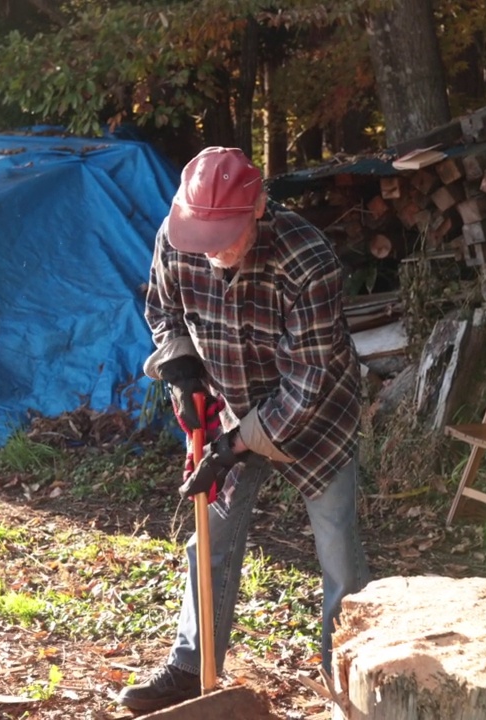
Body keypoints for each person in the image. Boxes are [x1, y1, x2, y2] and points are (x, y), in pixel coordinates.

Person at [118, 147, 371, 712]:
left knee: (339, 555)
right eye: (203, 234)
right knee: (208, 540)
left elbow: (307, 384)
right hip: (230, 404)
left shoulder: (307, 260)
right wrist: (180, 371)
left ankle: (351, 680)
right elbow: (164, 311)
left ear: (258, 206)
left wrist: (230, 449)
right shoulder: (180, 236)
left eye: (226, 235)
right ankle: (192, 665)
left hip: (315, 419)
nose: (213, 250)